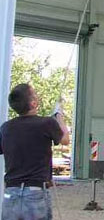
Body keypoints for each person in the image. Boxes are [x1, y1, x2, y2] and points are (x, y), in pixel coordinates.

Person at [0, 84, 69, 220]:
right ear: (33, 103)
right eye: (35, 94)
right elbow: (65, 139)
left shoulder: (6, 128)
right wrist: (59, 115)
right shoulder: (47, 123)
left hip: (11, 193)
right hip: (36, 192)